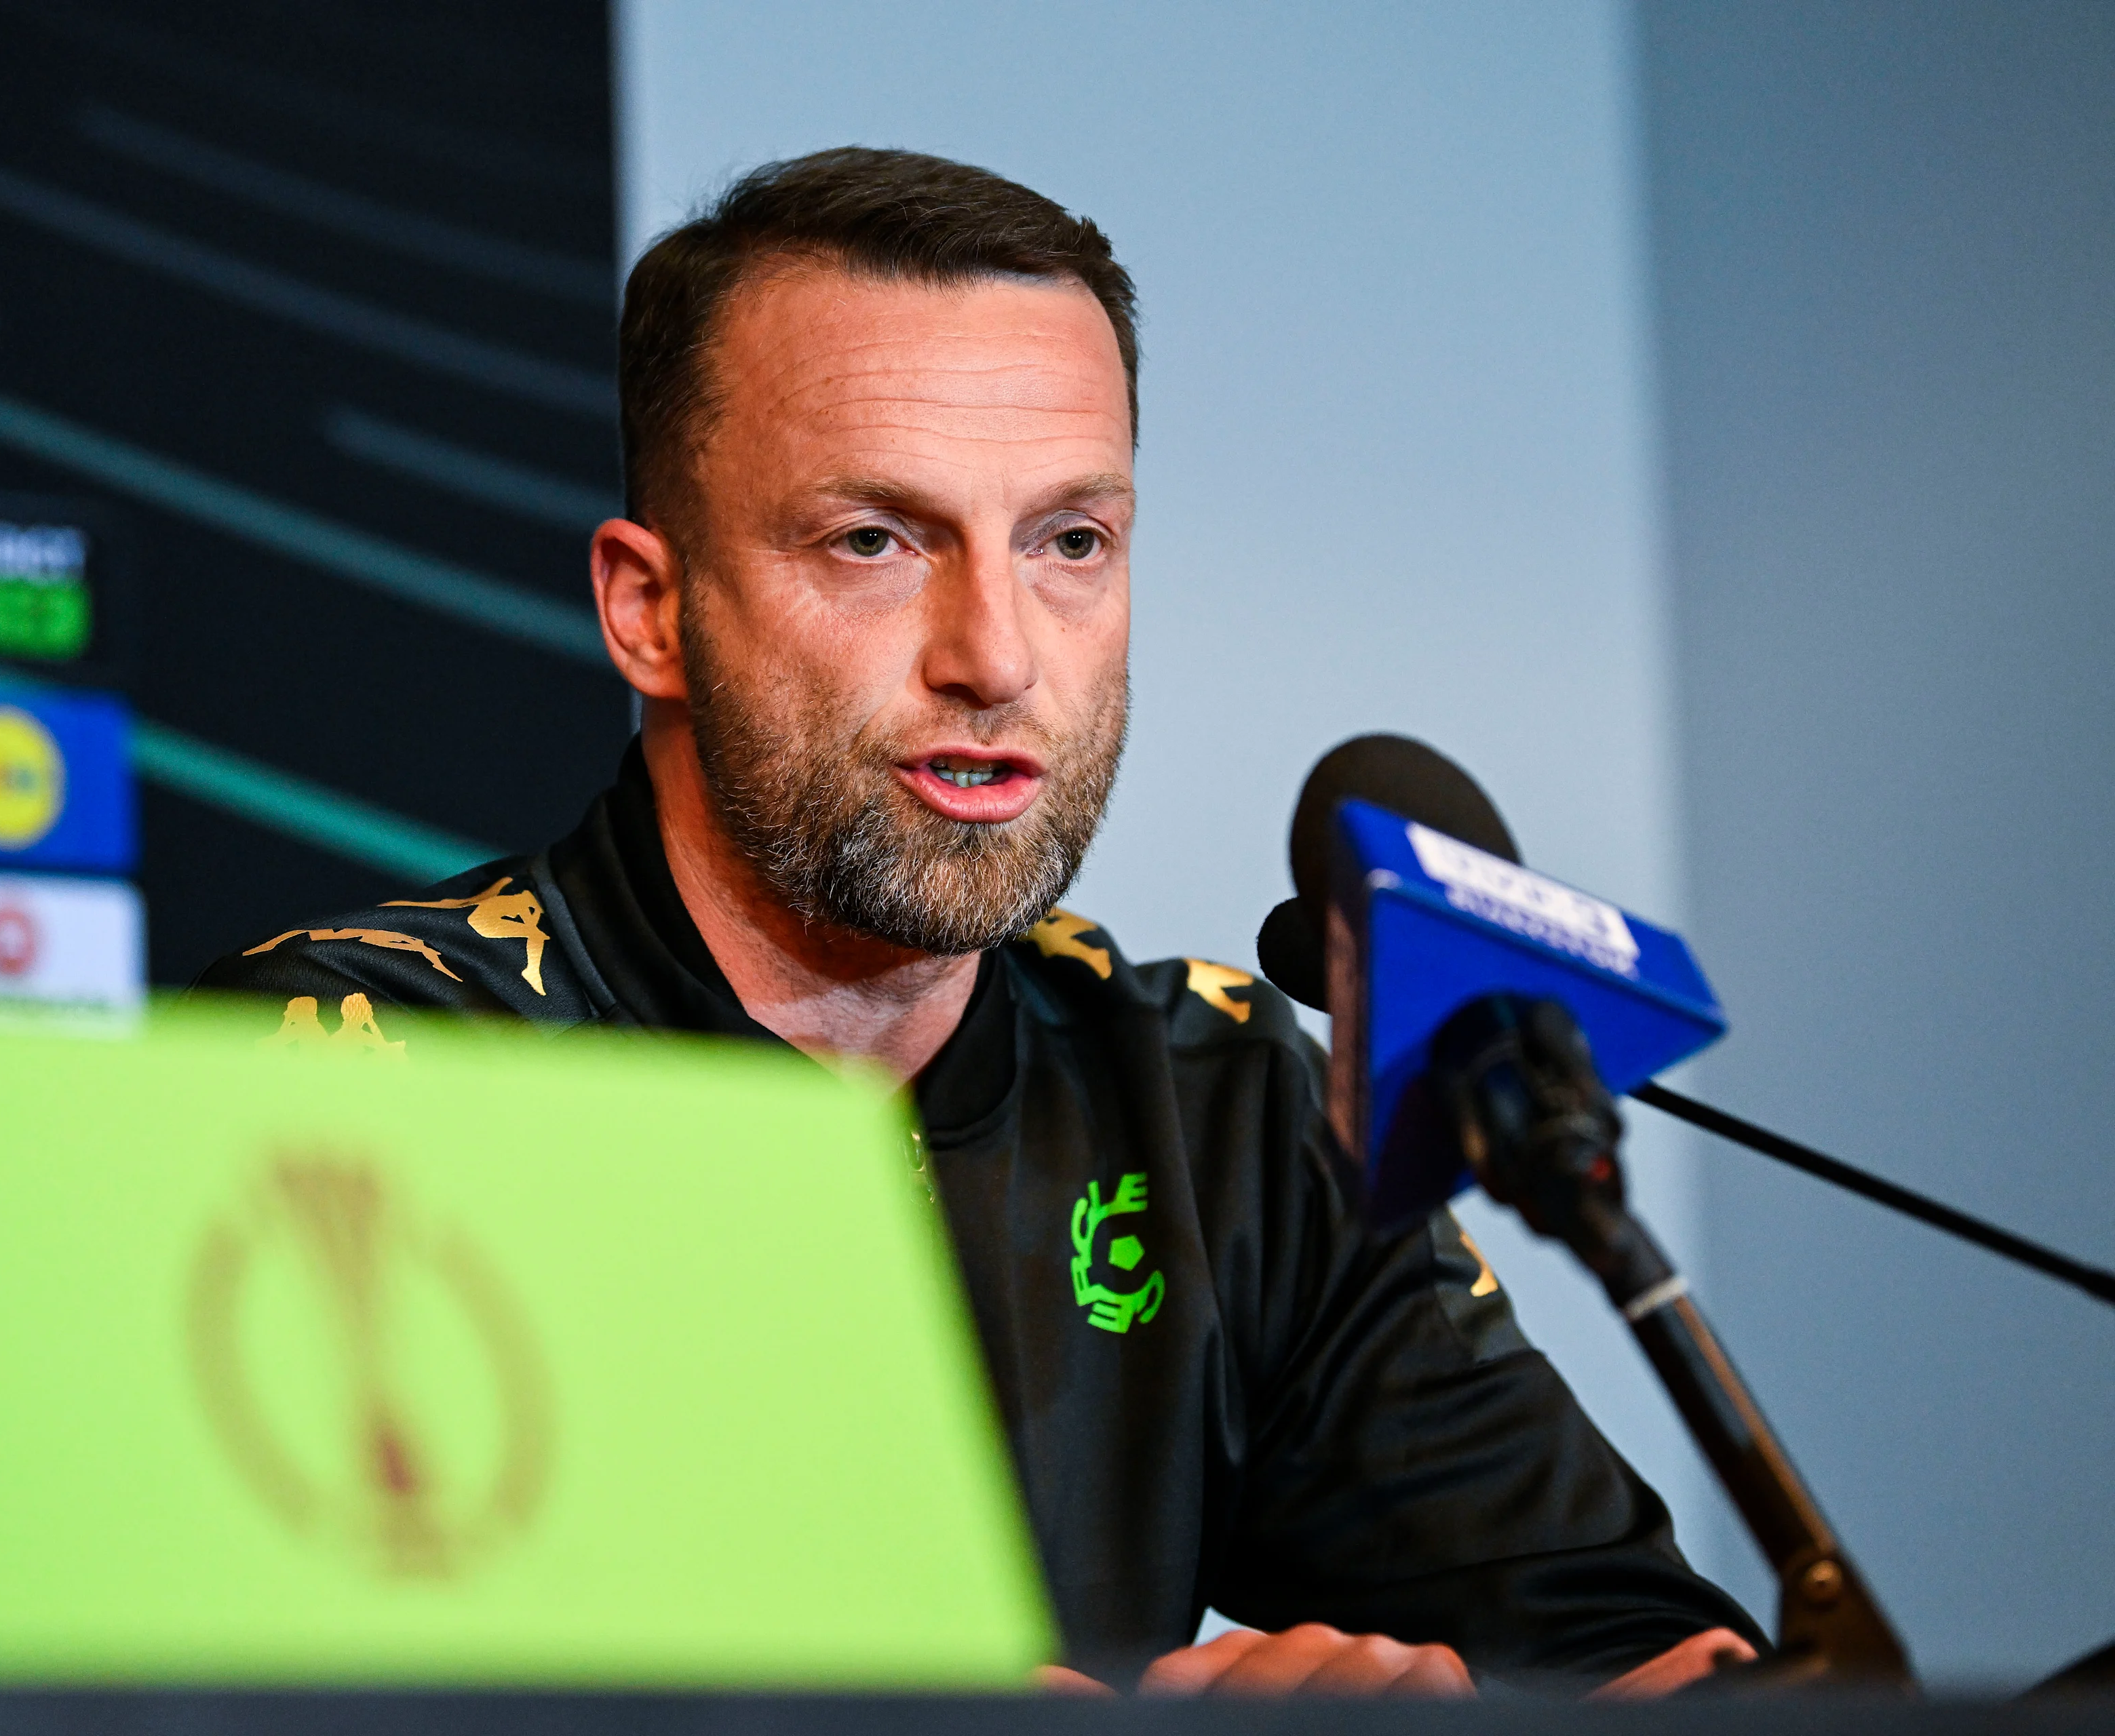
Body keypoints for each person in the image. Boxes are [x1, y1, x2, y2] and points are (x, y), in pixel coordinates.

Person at [197, 147, 1762, 1697]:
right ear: (649, 609)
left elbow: (1636, 1649)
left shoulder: (1212, 1099)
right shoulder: (363, 1078)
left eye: (1069, 541)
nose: (998, 655)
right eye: (876, 539)